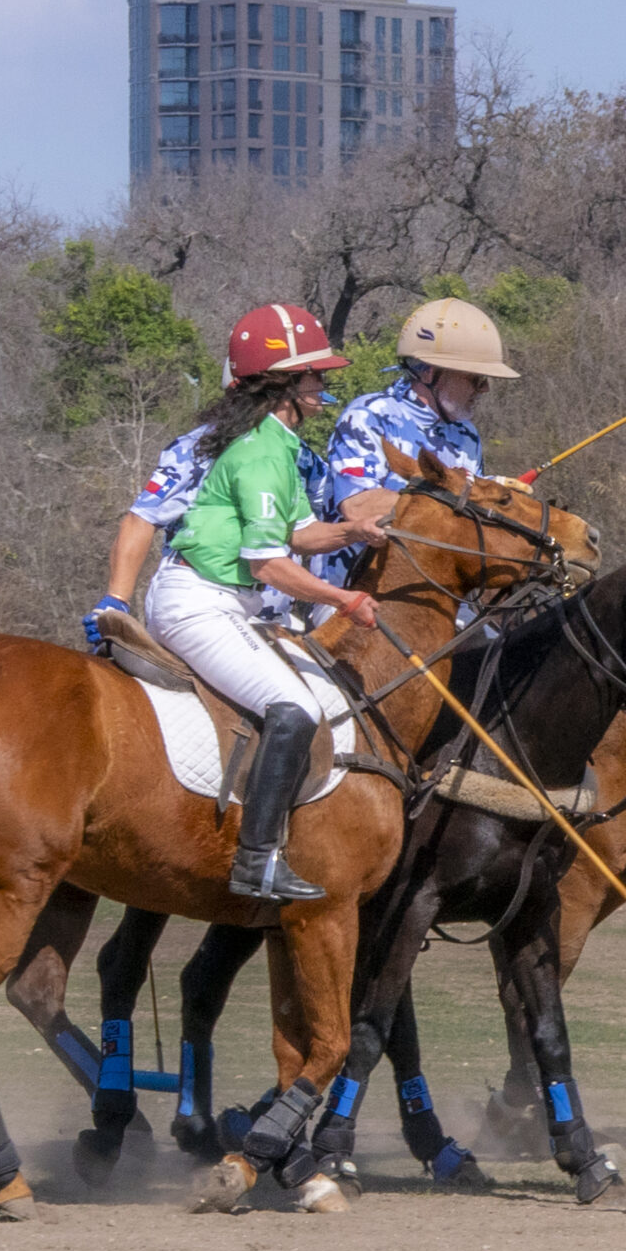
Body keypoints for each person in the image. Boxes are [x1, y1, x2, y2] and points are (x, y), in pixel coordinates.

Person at [143, 308, 388, 902]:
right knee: (295, 708)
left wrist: (356, 534)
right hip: (198, 601)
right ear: (282, 385)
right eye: (314, 379)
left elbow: (301, 535)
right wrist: (342, 597)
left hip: (225, 602)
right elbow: (270, 566)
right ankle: (256, 860)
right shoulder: (259, 453)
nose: (323, 389)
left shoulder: (278, 447)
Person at [83, 304, 347, 651]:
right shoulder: (195, 448)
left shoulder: (298, 455)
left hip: (275, 620)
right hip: (205, 612)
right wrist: (116, 599)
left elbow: (323, 522)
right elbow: (141, 519)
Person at [314, 296, 516, 589]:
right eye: (476, 378)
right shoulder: (368, 415)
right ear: (431, 372)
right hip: (351, 591)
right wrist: (460, 506)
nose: (484, 388)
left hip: (436, 593)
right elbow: (359, 506)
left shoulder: (466, 434)